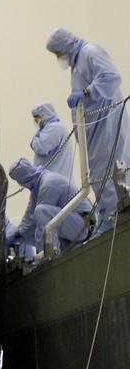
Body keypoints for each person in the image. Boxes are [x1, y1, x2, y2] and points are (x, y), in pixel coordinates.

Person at [46, 28, 130, 232]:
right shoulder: (77, 65)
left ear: (65, 45)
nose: (58, 58)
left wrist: (86, 92)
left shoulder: (90, 52)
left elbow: (111, 77)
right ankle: (107, 217)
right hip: (94, 135)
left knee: (110, 172)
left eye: (57, 53)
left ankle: (116, 218)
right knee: (98, 175)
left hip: (107, 128)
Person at [8, 158, 91, 258]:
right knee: (25, 235)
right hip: (71, 226)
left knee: (40, 212)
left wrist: (41, 254)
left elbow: (41, 217)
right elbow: (29, 217)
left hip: (82, 224)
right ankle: (51, 253)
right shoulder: (37, 186)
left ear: (22, 180)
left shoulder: (48, 183)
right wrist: (17, 235)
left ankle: (50, 256)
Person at [30, 102, 74, 182]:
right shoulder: (48, 129)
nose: (35, 120)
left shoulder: (54, 128)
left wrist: (34, 139)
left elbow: (41, 148)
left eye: (37, 116)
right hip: (53, 179)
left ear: (45, 114)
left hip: (55, 180)